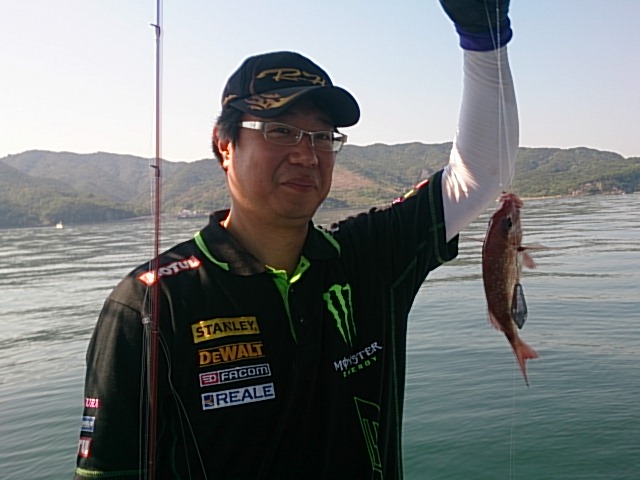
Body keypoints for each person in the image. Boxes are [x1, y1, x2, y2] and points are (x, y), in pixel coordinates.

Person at [74, 1, 518, 478]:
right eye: (280, 131)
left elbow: (481, 175)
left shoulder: (370, 258)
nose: (307, 155)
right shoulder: (150, 303)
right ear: (225, 145)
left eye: (323, 137)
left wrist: (483, 36)